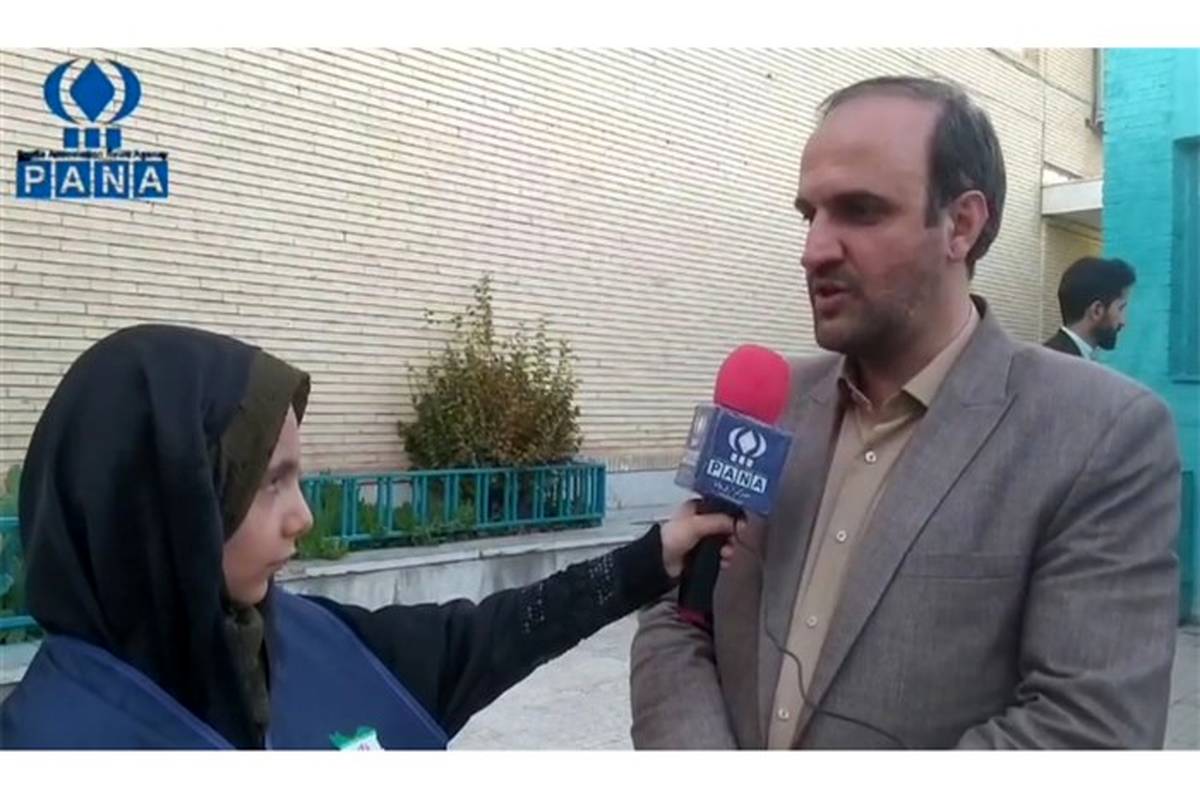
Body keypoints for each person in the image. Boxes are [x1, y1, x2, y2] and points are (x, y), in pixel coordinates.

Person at [630, 76, 1182, 749]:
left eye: (859, 211)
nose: (813, 250)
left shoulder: (1101, 435)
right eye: (810, 214)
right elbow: (677, 615)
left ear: (961, 225)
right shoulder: (772, 403)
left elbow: (1089, 733)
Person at [0, 323, 735, 750]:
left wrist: (649, 560)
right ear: (160, 506)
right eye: (270, 482)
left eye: (299, 478)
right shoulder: (48, 745)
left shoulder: (307, 644)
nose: (303, 517)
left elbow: (486, 637)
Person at [1044, 256, 1137, 359]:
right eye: (1120, 308)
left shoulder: (1050, 356)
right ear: (1097, 310)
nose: (1123, 322)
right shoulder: (1063, 363)